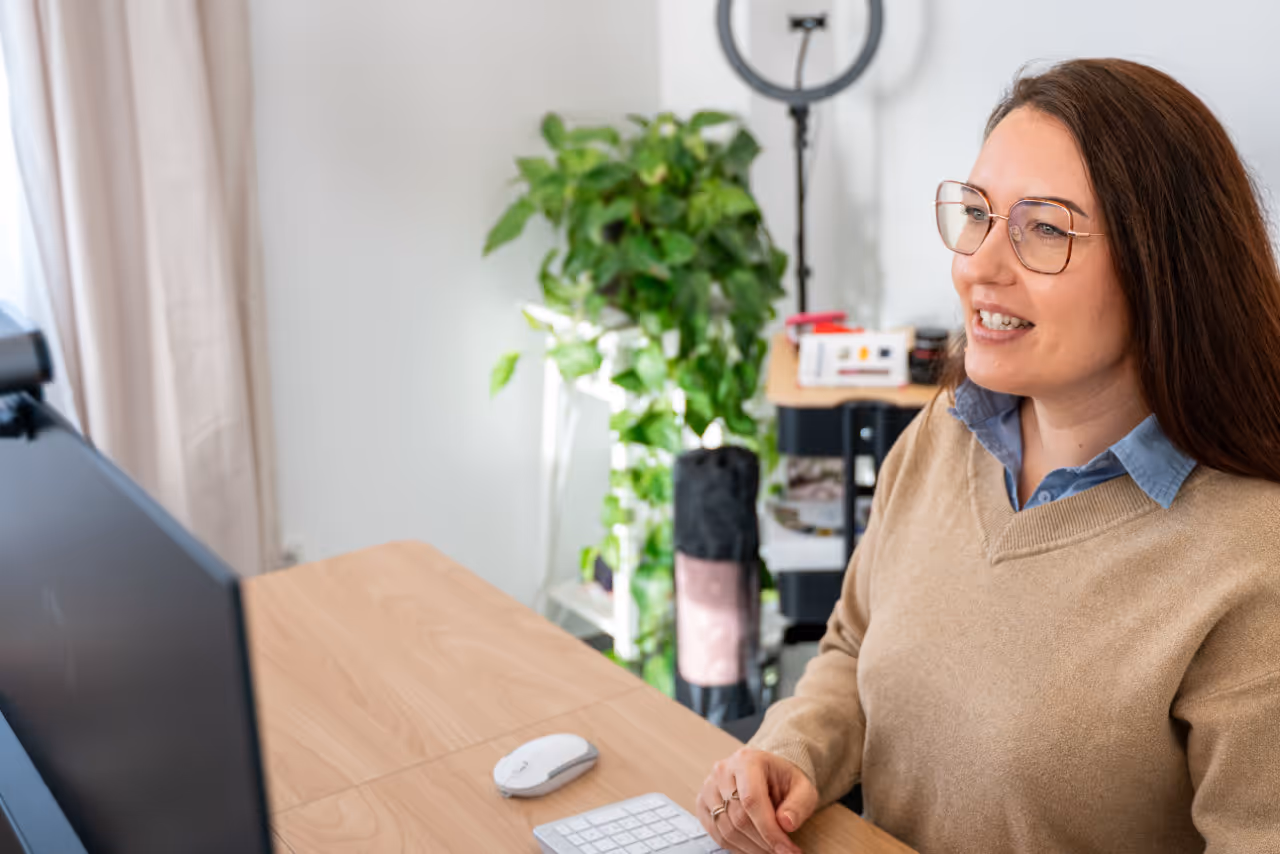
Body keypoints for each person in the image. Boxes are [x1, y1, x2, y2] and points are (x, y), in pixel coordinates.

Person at [696, 58, 1280, 854]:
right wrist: (792, 750)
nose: (978, 265)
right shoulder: (945, 434)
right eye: (976, 213)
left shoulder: (1252, 560)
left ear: (1164, 270)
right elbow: (852, 647)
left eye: (1044, 227)